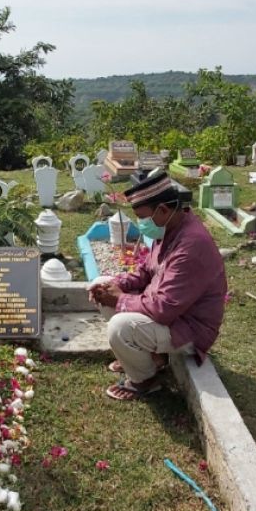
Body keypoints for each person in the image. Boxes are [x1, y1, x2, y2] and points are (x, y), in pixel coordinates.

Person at [89, 170, 227, 401]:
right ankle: (147, 358)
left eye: (142, 217)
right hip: (169, 314)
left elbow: (164, 308)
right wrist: (116, 284)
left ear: (162, 209)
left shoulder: (191, 246)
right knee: (101, 284)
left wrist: (120, 299)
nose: (141, 224)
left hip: (187, 328)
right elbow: (146, 271)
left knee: (120, 327)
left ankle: (145, 380)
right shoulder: (170, 226)